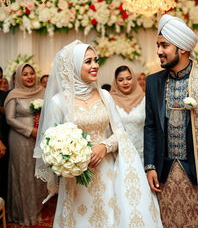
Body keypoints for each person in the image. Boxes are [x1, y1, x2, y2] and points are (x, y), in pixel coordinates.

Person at [34, 40, 163, 228]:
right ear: (74, 65)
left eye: (96, 60)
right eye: (88, 61)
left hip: (108, 174)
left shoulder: (105, 96)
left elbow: (120, 132)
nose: (95, 65)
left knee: (109, 219)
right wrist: (70, 159)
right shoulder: (58, 102)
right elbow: (49, 145)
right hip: (77, 179)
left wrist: (105, 146)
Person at [144, 14, 198, 227]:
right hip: (164, 175)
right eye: (158, 45)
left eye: (164, 45)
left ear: (182, 48)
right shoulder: (153, 81)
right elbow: (151, 126)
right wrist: (150, 166)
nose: (159, 52)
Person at [4, 63, 47, 226]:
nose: (29, 77)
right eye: (25, 74)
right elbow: (10, 119)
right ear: (18, 77)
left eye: (32, 73)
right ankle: (24, 213)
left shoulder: (42, 92)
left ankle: (36, 209)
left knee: (37, 175)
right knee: (23, 173)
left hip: (40, 138)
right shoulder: (13, 94)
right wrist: (31, 131)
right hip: (20, 139)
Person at [110, 65, 145, 162]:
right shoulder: (110, 100)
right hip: (119, 155)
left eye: (129, 79)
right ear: (116, 82)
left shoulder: (144, 99)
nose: (125, 83)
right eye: (120, 80)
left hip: (142, 154)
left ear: (134, 79)